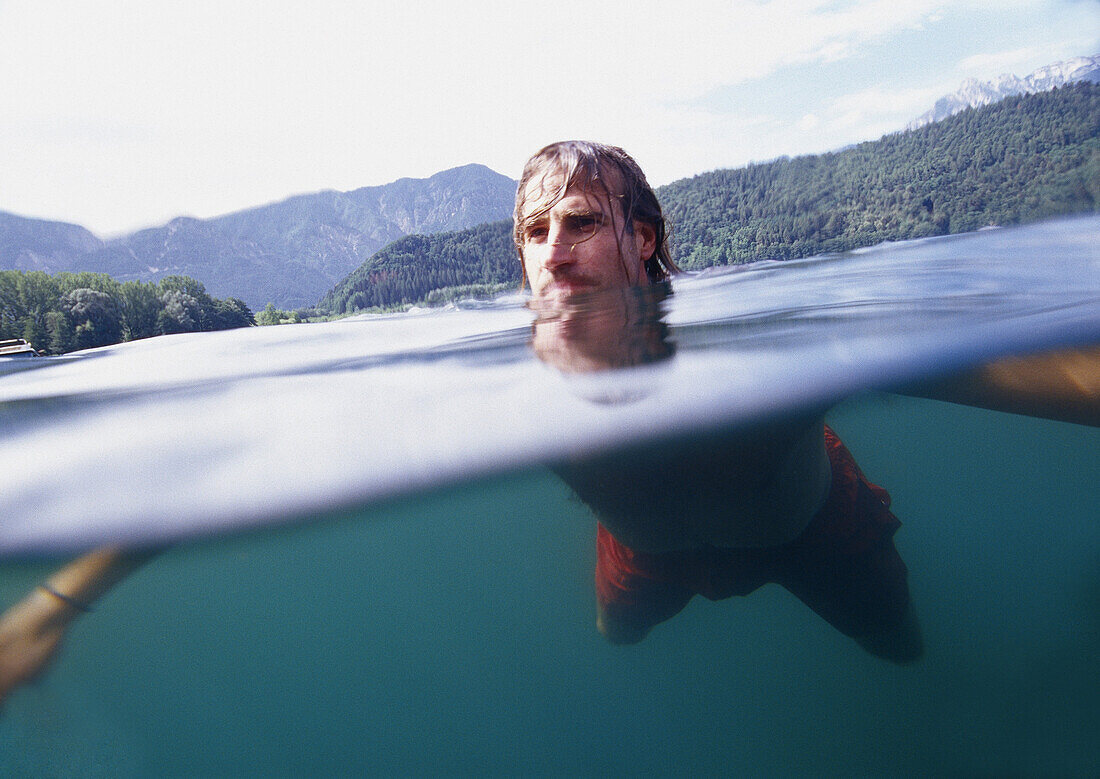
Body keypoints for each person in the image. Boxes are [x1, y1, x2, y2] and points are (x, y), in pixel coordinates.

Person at [517, 140, 922, 662]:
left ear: (641, 237)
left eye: (581, 222)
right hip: (644, 554)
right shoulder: (515, 386)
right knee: (614, 633)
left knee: (902, 647)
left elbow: (913, 353)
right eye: (536, 231)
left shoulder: (747, 346)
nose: (553, 251)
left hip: (812, 530)